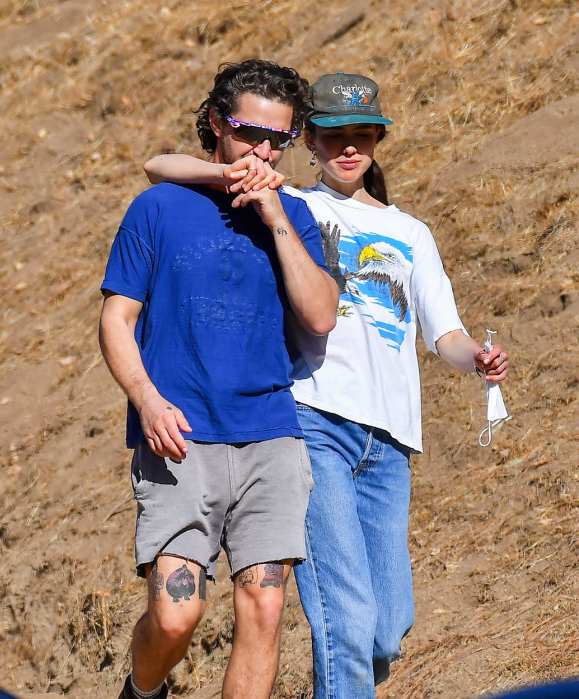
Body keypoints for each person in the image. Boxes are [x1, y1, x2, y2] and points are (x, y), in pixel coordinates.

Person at [144, 71, 509, 699]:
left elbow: (442, 334)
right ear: (307, 139)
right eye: (334, 134)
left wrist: (476, 356)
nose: (349, 148)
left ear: (377, 142)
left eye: (363, 136)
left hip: (390, 439)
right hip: (313, 418)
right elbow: (159, 165)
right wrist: (243, 180)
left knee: (386, 630)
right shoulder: (291, 202)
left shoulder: (412, 233)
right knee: (344, 612)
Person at [99, 59, 338, 699]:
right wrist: (146, 401)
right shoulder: (158, 208)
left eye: (277, 140)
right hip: (178, 438)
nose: (262, 151)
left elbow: (320, 315)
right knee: (178, 615)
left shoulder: (295, 216)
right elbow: (116, 320)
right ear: (215, 124)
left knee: (263, 609)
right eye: (247, 134)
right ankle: (142, 691)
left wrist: (275, 215)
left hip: (270, 437)